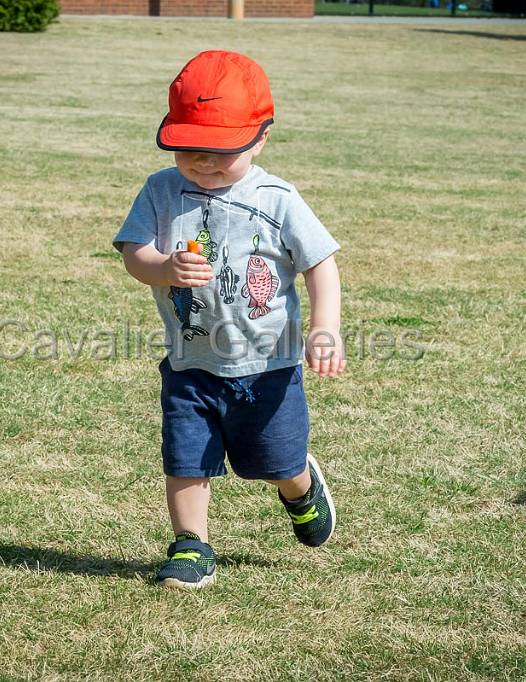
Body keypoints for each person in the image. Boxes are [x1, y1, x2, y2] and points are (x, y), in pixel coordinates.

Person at [112, 50, 346, 589]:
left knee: (274, 460)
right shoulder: (160, 191)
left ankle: (300, 487)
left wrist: (325, 327)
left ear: (261, 137)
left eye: (221, 151)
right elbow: (132, 255)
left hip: (269, 364)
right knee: (185, 456)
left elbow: (320, 263)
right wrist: (162, 265)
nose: (204, 162)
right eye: (189, 149)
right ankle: (190, 545)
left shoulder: (277, 198)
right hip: (190, 361)